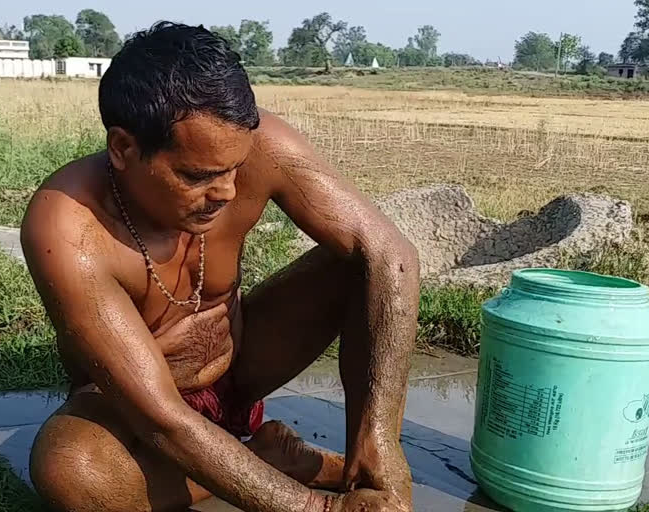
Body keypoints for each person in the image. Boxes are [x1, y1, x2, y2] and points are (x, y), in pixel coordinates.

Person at [21, 21, 420, 512]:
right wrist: (319, 508)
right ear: (124, 149)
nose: (228, 192)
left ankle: (345, 460)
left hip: (240, 366)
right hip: (138, 411)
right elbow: (161, 418)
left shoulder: (261, 144)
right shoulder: (66, 227)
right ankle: (263, 459)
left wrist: (380, 434)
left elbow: (390, 254)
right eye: (198, 176)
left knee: (359, 264)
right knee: (71, 471)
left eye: (236, 168)